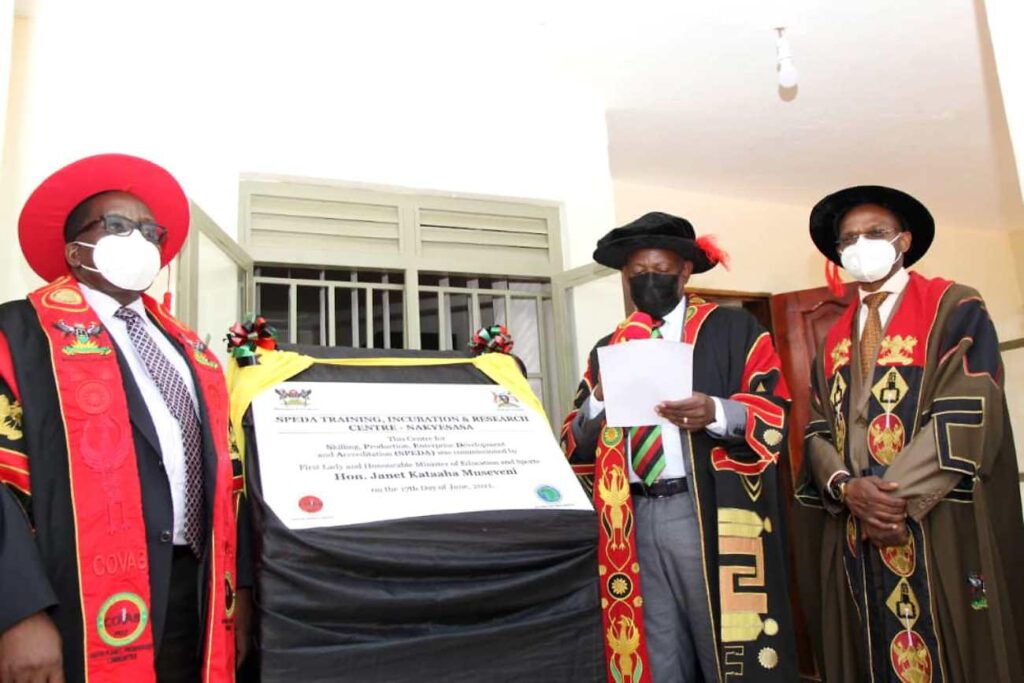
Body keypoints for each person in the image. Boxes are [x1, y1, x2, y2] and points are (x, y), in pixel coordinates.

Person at [0, 154, 252, 682]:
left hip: (195, 595)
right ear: (76, 249)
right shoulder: (18, 335)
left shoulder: (192, 351)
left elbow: (231, 478)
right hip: (68, 596)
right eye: (117, 226)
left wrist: (241, 588)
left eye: (149, 231)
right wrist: (17, 611)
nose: (138, 239)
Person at [795, 185, 1024, 682]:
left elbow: (967, 406)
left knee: (953, 647)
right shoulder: (833, 335)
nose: (860, 245)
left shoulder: (953, 306)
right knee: (869, 647)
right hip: (856, 524)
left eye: (874, 233)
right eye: (848, 239)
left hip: (935, 517)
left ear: (903, 241)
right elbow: (816, 427)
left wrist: (891, 499)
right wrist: (846, 488)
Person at [561, 212, 796, 682]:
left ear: (685, 272)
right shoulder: (609, 346)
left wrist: (716, 412)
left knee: (722, 645)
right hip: (630, 519)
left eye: (660, 271)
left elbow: (775, 412)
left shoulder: (732, 330)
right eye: (636, 273)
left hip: (704, 509)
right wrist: (599, 400)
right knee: (655, 649)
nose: (648, 280)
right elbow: (572, 442)